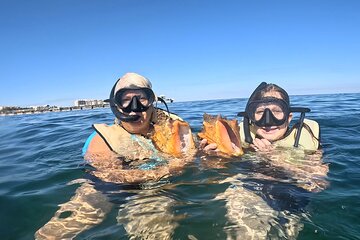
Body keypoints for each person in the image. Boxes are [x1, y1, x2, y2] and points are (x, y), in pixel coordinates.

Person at [35, 72, 195, 239]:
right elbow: (111, 177)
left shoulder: (172, 127)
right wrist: (168, 168)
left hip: (172, 186)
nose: (135, 107)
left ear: (152, 102)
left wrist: (209, 154)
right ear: (115, 105)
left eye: (142, 98)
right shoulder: (101, 141)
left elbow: (197, 158)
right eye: (126, 100)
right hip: (116, 191)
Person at [201, 82, 328, 239]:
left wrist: (274, 159)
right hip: (249, 185)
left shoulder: (305, 137)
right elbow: (218, 172)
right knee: (245, 227)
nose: (268, 120)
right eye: (260, 112)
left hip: (290, 193)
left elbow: (318, 184)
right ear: (251, 116)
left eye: (276, 111)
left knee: (285, 231)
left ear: (289, 117)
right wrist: (213, 158)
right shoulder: (242, 137)